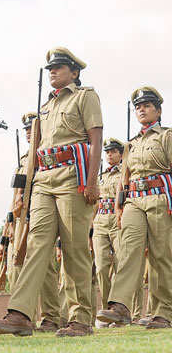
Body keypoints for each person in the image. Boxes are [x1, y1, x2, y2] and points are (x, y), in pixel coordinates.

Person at [0, 47, 102, 337]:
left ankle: (80, 319)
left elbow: (95, 140)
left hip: (72, 177)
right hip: (44, 179)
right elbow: (37, 150)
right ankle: (21, 313)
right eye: (50, 68)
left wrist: (92, 181)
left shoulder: (85, 96)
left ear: (74, 72)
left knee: (75, 247)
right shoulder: (46, 107)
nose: (52, 71)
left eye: (60, 67)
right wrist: (28, 190)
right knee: (36, 244)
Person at [97, 87, 172, 329]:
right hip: (133, 201)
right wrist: (119, 208)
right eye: (138, 106)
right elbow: (124, 178)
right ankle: (119, 305)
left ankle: (164, 312)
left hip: (160, 198)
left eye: (147, 105)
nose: (141, 109)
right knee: (127, 251)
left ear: (158, 111)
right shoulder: (130, 144)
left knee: (162, 256)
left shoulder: (167, 136)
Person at [4, 112, 62, 332]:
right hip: (23, 215)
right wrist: (11, 221)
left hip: (42, 210)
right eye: (27, 130)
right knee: (24, 263)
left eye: (33, 128)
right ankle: (28, 314)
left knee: (45, 265)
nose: (29, 132)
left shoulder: (44, 154)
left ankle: (51, 316)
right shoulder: (24, 159)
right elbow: (16, 193)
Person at [93, 138, 123, 319]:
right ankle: (106, 309)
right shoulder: (101, 175)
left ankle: (119, 308)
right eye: (107, 152)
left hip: (118, 219)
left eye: (113, 152)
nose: (110, 155)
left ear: (121, 154)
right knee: (101, 267)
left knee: (121, 265)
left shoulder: (125, 172)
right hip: (100, 220)